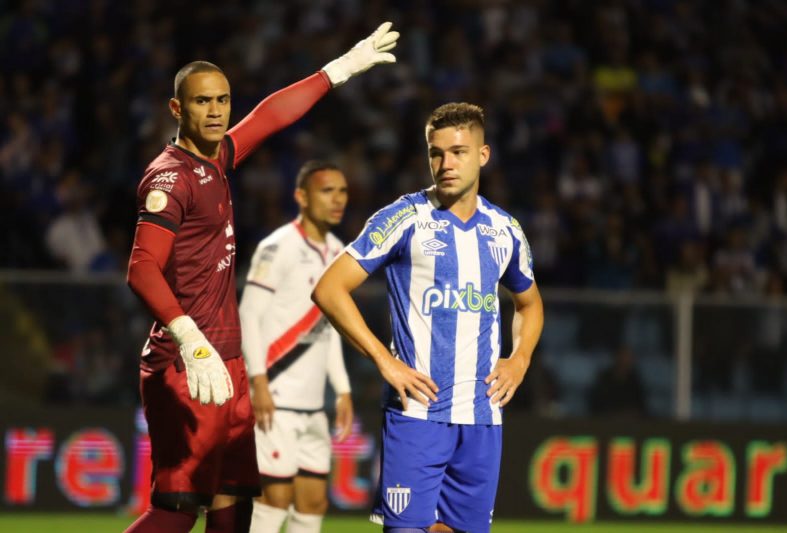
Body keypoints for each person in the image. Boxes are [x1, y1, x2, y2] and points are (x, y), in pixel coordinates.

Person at [124, 22, 399, 533]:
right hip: (188, 365)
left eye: (223, 100)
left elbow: (269, 117)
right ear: (177, 110)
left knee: (235, 505)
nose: (216, 110)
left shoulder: (218, 158)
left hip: (226, 359)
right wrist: (189, 339)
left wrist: (337, 71)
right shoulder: (170, 177)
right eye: (202, 101)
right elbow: (141, 267)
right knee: (179, 509)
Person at [312, 103, 544, 533]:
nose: (445, 163)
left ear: (483, 155)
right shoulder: (403, 218)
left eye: (458, 151)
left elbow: (529, 303)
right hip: (416, 413)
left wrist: (520, 358)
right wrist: (385, 360)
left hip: (482, 417)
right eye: (436, 153)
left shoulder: (505, 230)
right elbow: (329, 289)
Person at [239, 160, 353, 532]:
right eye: (327, 191)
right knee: (273, 501)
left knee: (313, 502)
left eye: (342, 191)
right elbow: (248, 315)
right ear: (301, 197)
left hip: (312, 404)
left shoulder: (339, 252)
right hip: (276, 395)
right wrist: (257, 382)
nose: (337, 200)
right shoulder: (278, 247)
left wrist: (343, 389)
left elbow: (331, 326)